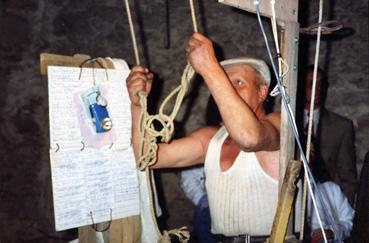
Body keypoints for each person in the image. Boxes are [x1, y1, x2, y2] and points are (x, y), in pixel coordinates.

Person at [127, 32, 281, 241]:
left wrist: (210, 68)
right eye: (224, 84)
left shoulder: (279, 124)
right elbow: (148, 156)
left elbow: (249, 138)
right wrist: (138, 104)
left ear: (262, 92)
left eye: (238, 83)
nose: (228, 91)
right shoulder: (211, 139)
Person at [303, 66, 357, 205]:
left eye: (321, 83)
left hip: (326, 206)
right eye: (311, 83)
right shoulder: (284, 122)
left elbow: (348, 177)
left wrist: (343, 220)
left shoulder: (341, 127)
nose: (317, 88)